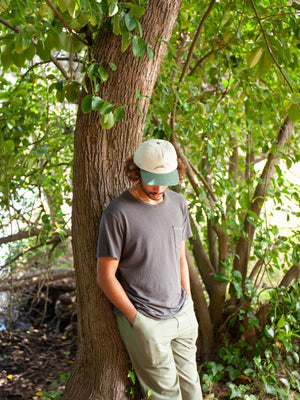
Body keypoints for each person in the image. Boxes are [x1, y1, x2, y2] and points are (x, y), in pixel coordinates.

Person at [96, 139, 203, 400]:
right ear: (136, 172)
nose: (159, 187)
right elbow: (105, 276)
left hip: (182, 316)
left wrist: (188, 303)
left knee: (193, 392)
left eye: (165, 179)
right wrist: (138, 322)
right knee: (166, 397)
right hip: (147, 320)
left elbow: (180, 258)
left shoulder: (179, 204)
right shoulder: (117, 214)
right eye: (152, 179)